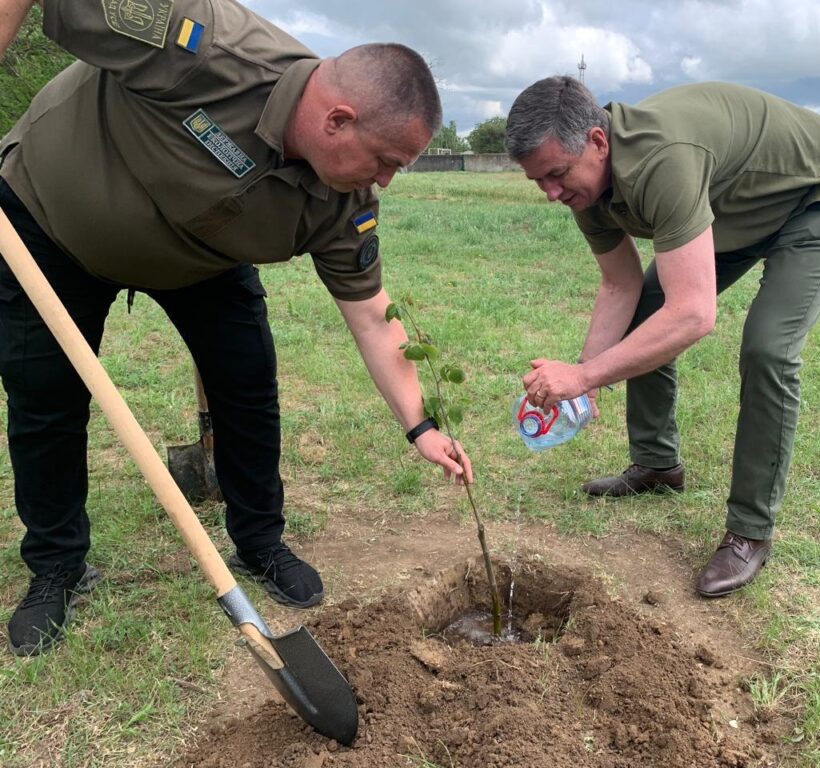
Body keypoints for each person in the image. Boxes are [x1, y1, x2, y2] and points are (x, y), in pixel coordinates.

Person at [0, 0, 472, 656]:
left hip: (201, 256)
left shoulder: (344, 205)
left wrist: (421, 427)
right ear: (338, 119)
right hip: (53, 218)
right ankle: (57, 566)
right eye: (386, 160)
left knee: (247, 379)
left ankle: (259, 542)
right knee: (44, 394)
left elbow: (371, 314)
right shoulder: (203, 44)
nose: (386, 182)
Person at [506, 76, 820, 598]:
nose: (552, 194)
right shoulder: (586, 193)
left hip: (819, 197)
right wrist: (581, 386)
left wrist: (586, 374)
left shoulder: (662, 161)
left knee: (768, 346)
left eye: (558, 175)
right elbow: (620, 283)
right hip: (735, 209)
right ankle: (657, 465)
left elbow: (694, 315)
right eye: (539, 181)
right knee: (649, 305)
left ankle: (750, 531)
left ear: (597, 141)